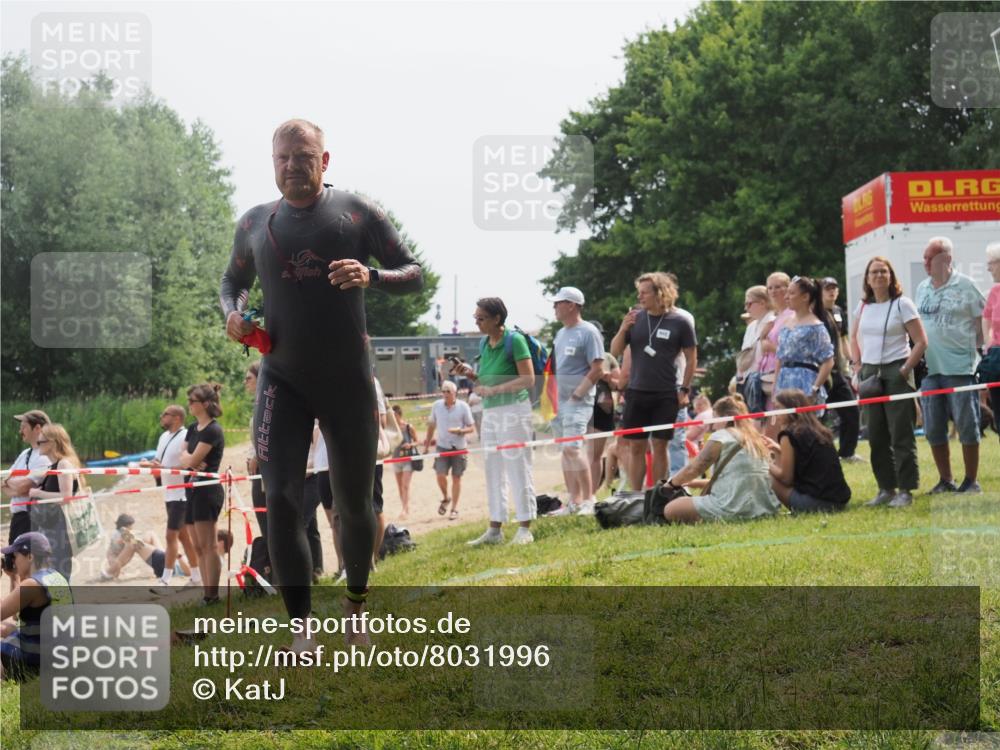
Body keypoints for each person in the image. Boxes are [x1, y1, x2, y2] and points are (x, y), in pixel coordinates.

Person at [220, 119, 423, 649]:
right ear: (273, 163)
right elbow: (231, 283)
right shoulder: (254, 222)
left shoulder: (357, 213)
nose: (292, 166)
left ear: (324, 161)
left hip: (346, 381)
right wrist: (234, 314)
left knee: (354, 503)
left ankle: (355, 605)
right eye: (283, 158)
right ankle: (301, 626)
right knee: (281, 502)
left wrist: (371, 275)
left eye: (303, 157)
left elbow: (412, 270)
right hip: (281, 380)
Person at [452, 298, 536, 545]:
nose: (477, 322)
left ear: (496, 318)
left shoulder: (515, 340)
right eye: (475, 318)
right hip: (490, 412)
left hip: (514, 410)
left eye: (481, 318)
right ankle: (495, 529)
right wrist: (470, 374)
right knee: (493, 469)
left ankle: (524, 528)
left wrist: (495, 390)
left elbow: (528, 379)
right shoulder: (484, 342)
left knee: (518, 467)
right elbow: (485, 381)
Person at [850, 256, 927, 507]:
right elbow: (854, 338)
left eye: (884, 271)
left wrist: (905, 370)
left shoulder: (902, 304)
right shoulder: (862, 307)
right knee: (876, 434)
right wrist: (857, 366)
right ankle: (885, 488)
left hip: (897, 370)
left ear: (891, 276)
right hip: (870, 373)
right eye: (874, 272)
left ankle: (905, 489)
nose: (879, 276)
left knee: (901, 434)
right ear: (867, 279)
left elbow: (921, 341)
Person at [610, 272, 697, 490]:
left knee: (660, 445)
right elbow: (615, 350)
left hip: (666, 393)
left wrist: (684, 389)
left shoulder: (680, 321)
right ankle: (636, 495)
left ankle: (657, 493)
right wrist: (623, 328)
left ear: (660, 293)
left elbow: (692, 357)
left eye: (644, 293)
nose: (640, 297)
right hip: (637, 392)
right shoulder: (635, 318)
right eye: (638, 292)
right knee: (636, 447)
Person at [916, 236, 986, 495]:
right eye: (924, 257)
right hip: (930, 370)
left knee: (967, 424)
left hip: (959, 368)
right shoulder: (923, 287)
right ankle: (946, 479)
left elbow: (983, 322)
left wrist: (975, 347)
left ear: (945, 258)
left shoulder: (966, 286)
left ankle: (971, 480)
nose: (925, 263)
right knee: (933, 427)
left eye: (929, 258)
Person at [660, 396, 781, 524]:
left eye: (715, 417)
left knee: (670, 509)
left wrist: (671, 484)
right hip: (765, 508)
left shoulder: (722, 435)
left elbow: (695, 467)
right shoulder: (756, 438)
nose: (713, 424)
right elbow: (737, 477)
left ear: (727, 417)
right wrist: (691, 483)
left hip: (733, 507)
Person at [547, 286, 604, 515]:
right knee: (565, 450)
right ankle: (573, 501)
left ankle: (589, 500)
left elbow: (598, 368)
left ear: (571, 305)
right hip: (558, 402)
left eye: (558, 303)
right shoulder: (560, 334)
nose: (554, 307)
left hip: (578, 402)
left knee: (573, 447)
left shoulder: (588, 332)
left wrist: (578, 394)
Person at [141, 405, 201, 589]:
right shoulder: (163, 437)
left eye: (164, 414)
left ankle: (165, 580)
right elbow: (160, 463)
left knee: (170, 536)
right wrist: (150, 465)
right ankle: (197, 576)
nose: (161, 417)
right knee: (183, 538)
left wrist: (161, 468)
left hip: (182, 493)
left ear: (176, 418)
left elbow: (189, 465)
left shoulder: (185, 437)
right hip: (169, 491)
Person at [767, 389, 852, 513]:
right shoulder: (820, 430)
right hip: (839, 500)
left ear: (791, 409)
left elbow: (786, 478)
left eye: (779, 408)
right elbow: (805, 458)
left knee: (768, 477)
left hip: (817, 503)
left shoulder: (789, 434)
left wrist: (765, 465)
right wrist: (777, 448)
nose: (776, 414)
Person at [0, 532, 71, 680]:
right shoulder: (56, 577)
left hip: (38, 659)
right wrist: (14, 577)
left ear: (30, 557)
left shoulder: (31, 586)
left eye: (15, 556)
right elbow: (15, 615)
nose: (13, 561)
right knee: (6, 628)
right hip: (60, 652)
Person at [179, 383, 226, 605]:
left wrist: (190, 460)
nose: (189, 404)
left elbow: (192, 460)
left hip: (207, 490)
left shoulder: (213, 430)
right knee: (197, 546)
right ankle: (207, 594)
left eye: (192, 401)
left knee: (209, 545)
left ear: (205, 404)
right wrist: (190, 460)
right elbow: (184, 458)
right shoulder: (192, 428)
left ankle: (212, 594)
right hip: (191, 488)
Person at [26, 423, 83, 581]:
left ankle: (63, 605)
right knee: (52, 573)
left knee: (59, 573)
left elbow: (66, 497)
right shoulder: (54, 466)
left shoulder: (64, 464)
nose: (37, 446)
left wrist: (38, 493)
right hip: (51, 526)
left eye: (40, 442)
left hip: (60, 528)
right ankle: (57, 604)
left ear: (53, 442)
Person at [773, 276, 835, 411]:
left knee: (804, 427)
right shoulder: (786, 322)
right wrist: (775, 386)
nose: (786, 297)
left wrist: (814, 388)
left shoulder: (816, 327)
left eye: (792, 293)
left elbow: (828, 361)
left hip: (804, 383)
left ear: (805, 297)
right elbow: (779, 357)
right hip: (784, 382)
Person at [820, 277, 862, 463]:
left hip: (839, 372)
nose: (832, 291)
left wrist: (852, 362)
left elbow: (843, 339)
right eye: (827, 288)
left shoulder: (838, 312)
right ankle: (820, 456)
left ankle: (847, 453)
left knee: (851, 411)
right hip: (820, 372)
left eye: (834, 288)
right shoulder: (815, 312)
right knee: (818, 416)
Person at [423, 381, 474, 521]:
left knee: (456, 478)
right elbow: (431, 426)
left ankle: (454, 509)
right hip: (442, 446)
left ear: (454, 393)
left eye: (448, 392)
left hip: (459, 447)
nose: (445, 394)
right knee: (440, 475)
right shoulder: (436, 406)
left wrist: (460, 431)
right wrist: (427, 446)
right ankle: (446, 498)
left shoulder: (463, 407)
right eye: (443, 391)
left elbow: (471, 427)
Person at [2, 411, 51, 546]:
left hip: (31, 519)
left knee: (24, 563)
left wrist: (10, 484)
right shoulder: (25, 453)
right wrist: (14, 485)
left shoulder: (45, 457)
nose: (20, 431)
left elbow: (23, 487)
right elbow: (3, 480)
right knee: (12, 562)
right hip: (18, 518)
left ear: (37, 428)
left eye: (23, 427)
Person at [101, 514, 190, 581]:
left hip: (167, 565)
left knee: (133, 544)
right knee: (150, 534)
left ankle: (109, 572)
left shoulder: (195, 564)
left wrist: (178, 555)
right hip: (166, 560)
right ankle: (134, 542)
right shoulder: (196, 558)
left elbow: (188, 572)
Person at [588, 324, 621, 493]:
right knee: (576, 454)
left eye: (599, 335)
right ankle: (578, 495)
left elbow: (620, 385)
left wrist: (607, 379)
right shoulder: (579, 355)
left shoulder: (608, 358)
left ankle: (591, 495)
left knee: (594, 455)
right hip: (579, 406)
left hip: (601, 408)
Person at [758, 272, 795, 407]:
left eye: (778, 287)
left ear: (788, 288)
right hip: (767, 375)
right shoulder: (776, 317)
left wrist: (770, 347)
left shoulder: (792, 315)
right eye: (770, 288)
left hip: (783, 376)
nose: (773, 291)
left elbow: (795, 351)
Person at [737, 285, 775, 413]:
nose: (745, 308)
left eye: (749, 304)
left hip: (766, 380)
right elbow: (744, 352)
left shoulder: (773, 322)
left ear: (763, 303)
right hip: (749, 380)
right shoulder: (751, 326)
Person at [244, 362, 268, 542]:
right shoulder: (258, 403)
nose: (246, 383)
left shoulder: (269, 403)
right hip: (259, 472)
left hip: (269, 471)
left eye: (249, 378)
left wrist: (257, 456)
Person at [983, 241, 1000, 443]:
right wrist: (989, 341)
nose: (988, 268)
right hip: (997, 361)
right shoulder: (995, 291)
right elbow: (986, 316)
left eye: (991, 263)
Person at [391, 405, 418, 519]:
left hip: (407, 459)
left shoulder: (408, 427)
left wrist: (410, 445)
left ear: (398, 415)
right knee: (399, 486)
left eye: (393, 415)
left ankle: (404, 509)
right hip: (396, 459)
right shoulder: (390, 429)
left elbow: (417, 441)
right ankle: (405, 507)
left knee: (405, 485)